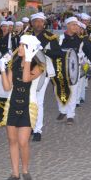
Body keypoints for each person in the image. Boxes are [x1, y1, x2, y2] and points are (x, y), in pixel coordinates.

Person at [0, 34, 45, 180]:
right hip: (12, 103)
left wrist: (29, 59)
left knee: (23, 141)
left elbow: (26, 79)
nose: (19, 48)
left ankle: (25, 169)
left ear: (30, 48)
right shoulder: (14, 63)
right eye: (19, 45)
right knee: (12, 140)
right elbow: (7, 87)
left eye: (22, 46)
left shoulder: (39, 66)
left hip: (28, 105)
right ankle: (15, 173)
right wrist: (2, 70)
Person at [28, 12, 59, 142]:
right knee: (29, 100)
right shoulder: (27, 36)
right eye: (36, 21)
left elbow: (59, 54)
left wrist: (44, 50)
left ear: (44, 23)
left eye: (41, 21)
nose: (38, 24)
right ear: (32, 23)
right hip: (28, 72)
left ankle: (38, 130)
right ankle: (30, 125)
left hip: (43, 71)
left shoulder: (50, 37)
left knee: (38, 100)